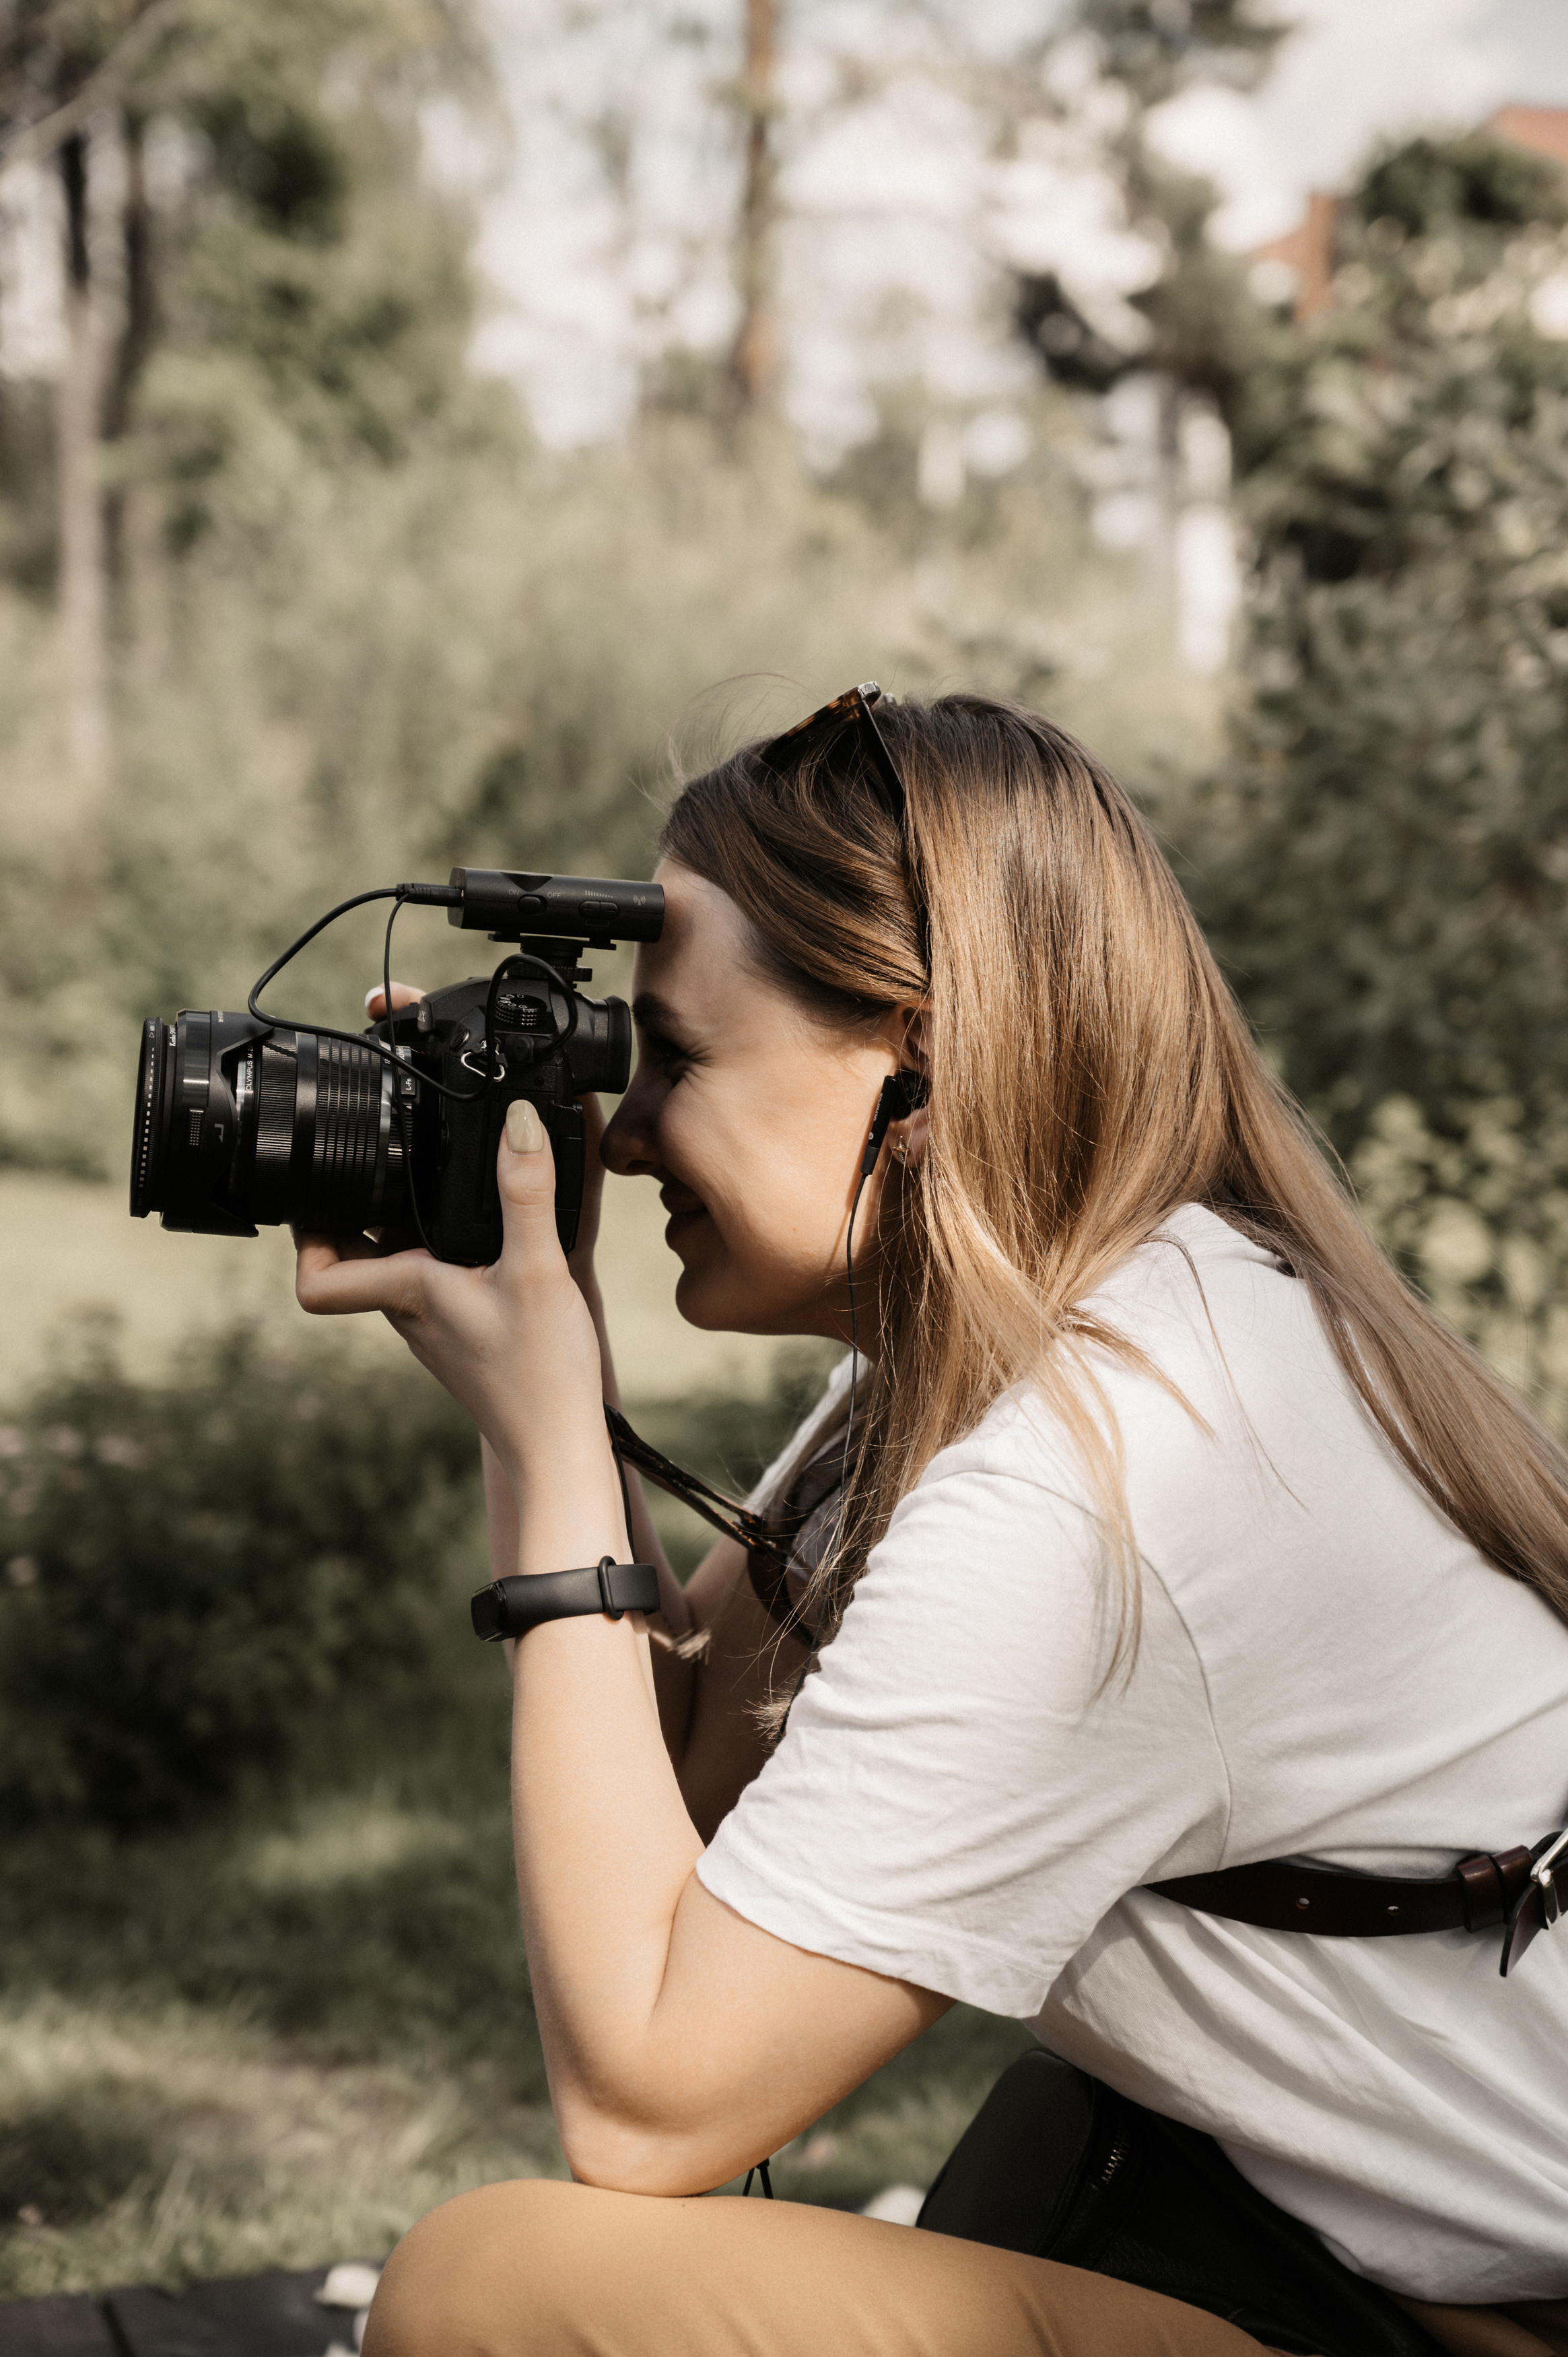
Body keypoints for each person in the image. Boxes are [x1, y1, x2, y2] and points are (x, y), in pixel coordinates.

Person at [296, 692, 1568, 2357]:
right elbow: (684, 1772)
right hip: (1340, 2269)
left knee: (500, 2294)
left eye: (675, 1057)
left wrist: (547, 1444)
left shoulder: (1112, 1469)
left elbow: (656, 2099)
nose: (615, 1125)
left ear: (918, 1063)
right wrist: (551, 1365)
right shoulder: (1061, 1327)